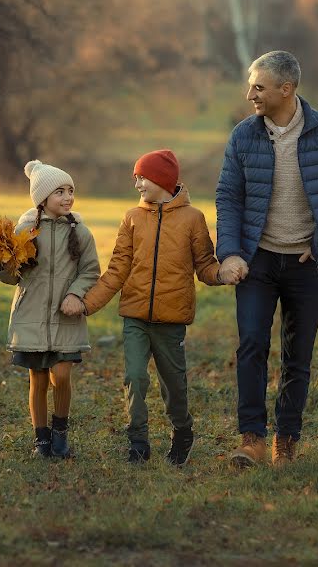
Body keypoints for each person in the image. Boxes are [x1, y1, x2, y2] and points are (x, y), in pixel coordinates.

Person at [216, 50, 318, 467]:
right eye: (250, 85)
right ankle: (252, 439)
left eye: (258, 87)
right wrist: (229, 253)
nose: (250, 95)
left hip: (307, 264)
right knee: (251, 346)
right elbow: (228, 196)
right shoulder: (244, 135)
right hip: (257, 261)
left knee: (298, 356)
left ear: (287, 88)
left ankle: (286, 439)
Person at [75, 150, 238, 465]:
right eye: (136, 177)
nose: (137, 184)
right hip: (135, 317)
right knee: (135, 377)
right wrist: (86, 304)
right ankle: (137, 441)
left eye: (142, 177)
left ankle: (182, 431)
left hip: (172, 319)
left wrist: (221, 273)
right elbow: (117, 270)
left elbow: (204, 265)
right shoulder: (132, 218)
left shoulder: (193, 219)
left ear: (163, 180)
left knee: (174, 387)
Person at [0, 160, 100, 459]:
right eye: (59, 192)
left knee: (62, 376)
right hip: (32, 317)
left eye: (70, 191)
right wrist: (1, 264)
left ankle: (60, 432)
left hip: (65, 318)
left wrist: (76, 295)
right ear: (42, 198)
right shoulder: (25, 230)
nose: (67, 197)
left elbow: (91, 271)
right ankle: (41, 439)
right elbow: (12, 275)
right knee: (38, 379)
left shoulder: (81, 232)